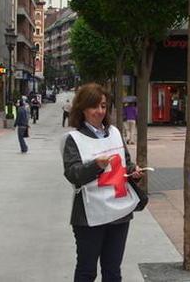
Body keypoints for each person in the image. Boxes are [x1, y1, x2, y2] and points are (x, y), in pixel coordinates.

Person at [61, 83, 146, 282]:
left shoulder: (115, 133)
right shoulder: (73, 139)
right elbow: (73, 174)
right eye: (94, 106)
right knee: (86, 270)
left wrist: (134, 172)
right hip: (90, 215)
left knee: (113, 270)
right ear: (82, 109)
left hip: (119, 211)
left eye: (103, 106)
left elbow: (125, 162)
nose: (99, 111)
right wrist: (95, 166)